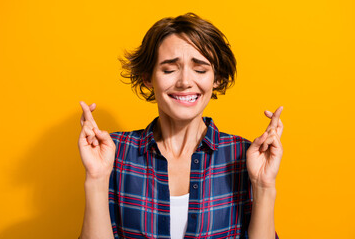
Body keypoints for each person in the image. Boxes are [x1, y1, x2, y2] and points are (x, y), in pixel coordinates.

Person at [78, 13, 283, 239]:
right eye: (169, 69)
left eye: (200, 69)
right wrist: (96, 179)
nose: (185, 81)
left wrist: (264, 186)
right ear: (148, 78)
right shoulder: (115, 152)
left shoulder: (243, 155)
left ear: (216, 79)